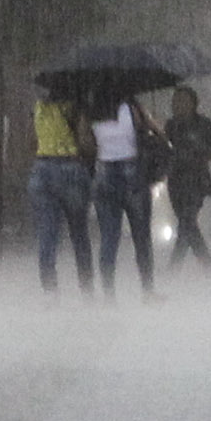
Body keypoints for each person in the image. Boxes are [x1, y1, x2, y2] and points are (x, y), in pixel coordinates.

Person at [27, 85, 98, 296]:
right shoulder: (74, 107)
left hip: (41, 168)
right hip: (71, 168)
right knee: (79, 233)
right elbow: (85, 142)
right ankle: (87, 289)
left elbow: (32, 141)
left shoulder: (39, 106)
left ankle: (50, 290)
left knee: (47, 233)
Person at [90, 93, 161, 299]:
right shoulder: (133, 107)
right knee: (141, 235)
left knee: (109, 237)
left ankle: (108, 293)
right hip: (132, 172)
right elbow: (153, 132)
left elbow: (86, 141)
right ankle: (148, 290)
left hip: (104, 172)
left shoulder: (93, 110)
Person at [160, 88, 211, 270]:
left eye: (182, 100)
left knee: (187, 223)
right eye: (175, 101)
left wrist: (201, 155)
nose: (177, 105)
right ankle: (208, 265)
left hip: (196, 181)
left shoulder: (204, 125)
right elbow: (163, 152)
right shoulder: (170, 126)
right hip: (175, 182)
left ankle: (174, 268)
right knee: (188, 226)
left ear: (193, 103)